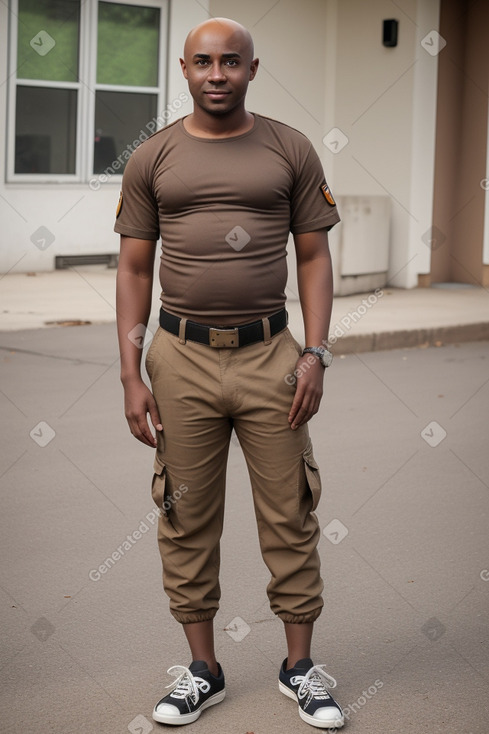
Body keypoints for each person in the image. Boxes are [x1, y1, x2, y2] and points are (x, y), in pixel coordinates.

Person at [115, 17, 344, 729]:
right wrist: (130, 373)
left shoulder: (289, 149)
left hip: (270, 353)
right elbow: (131, 267)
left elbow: (312, 258)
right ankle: (202, 671)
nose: (217, 74)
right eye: (204, 62)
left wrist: (314, 352)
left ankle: (299, 668)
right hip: (178, 358)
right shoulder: (151, 157)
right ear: (183, 69)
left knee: (290, 511)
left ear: (251, 68)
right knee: (185, 517)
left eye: (231, 62)